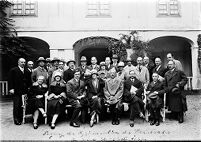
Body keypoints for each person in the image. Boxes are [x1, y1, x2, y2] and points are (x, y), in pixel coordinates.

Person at [8, 58, 32, 125]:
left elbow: (29, 81)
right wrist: (11, 89)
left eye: (24, 62)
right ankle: (16, 119)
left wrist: (29, 88)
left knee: (22, 105)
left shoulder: (27, 71)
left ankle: (21, 118)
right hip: (16, 90)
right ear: (18, 62)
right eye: (21, 62)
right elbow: (10, 80)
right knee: (17, 105)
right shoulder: (13, 70)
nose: (23, 63)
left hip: (24, 91)